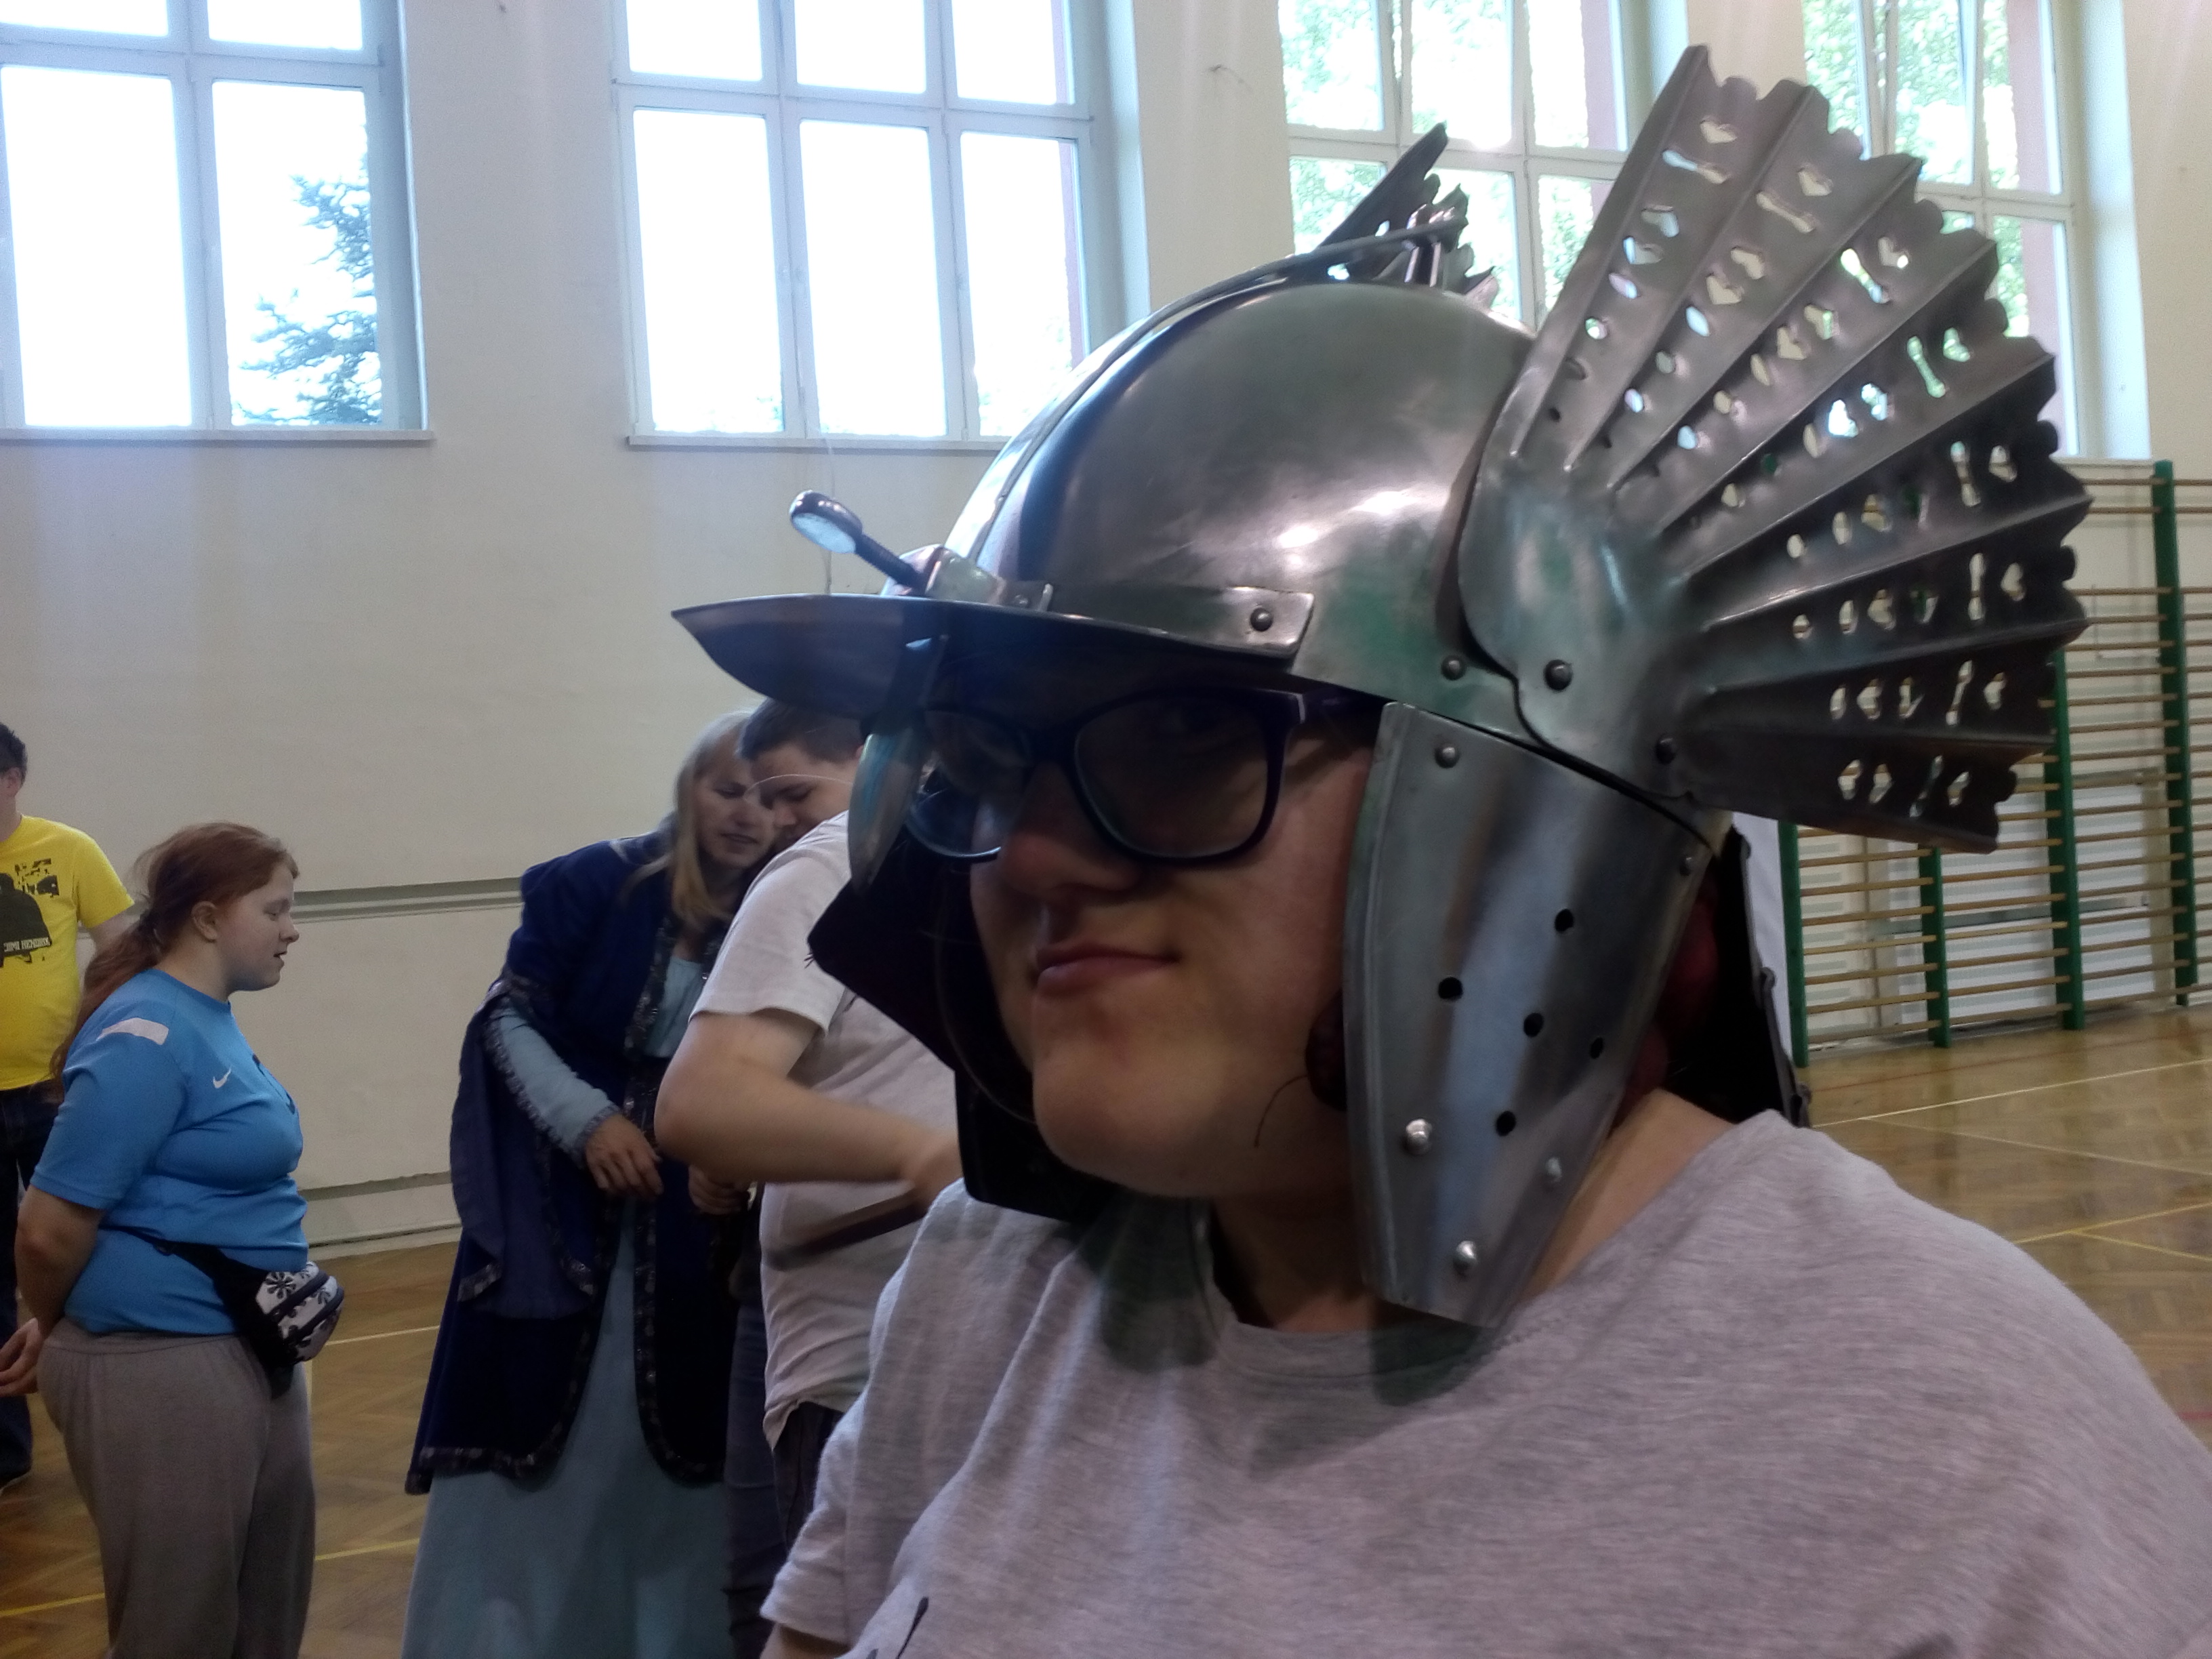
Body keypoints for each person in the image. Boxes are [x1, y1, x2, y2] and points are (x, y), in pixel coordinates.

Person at [672, 52, 2212, 1658]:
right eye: (992, 756)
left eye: (1184, 732)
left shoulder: (1952, 1428)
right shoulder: (987, 1291)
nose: (1039, 854)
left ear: (1521, 796)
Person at [401, 712, 783, 1659]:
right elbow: (509, 1017)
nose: (747, 814)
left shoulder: (791, 903)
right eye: (726, 790)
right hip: (560, 1215)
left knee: (693, 1447)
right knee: (540, 1441)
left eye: (767, 796)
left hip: (702, 1226)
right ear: (688, 790)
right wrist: (590, 1123)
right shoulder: (593, 883)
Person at [0, 822, 314, 1659]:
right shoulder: (145, 1034)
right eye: (275, 910)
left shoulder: (205, 1018)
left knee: (262, 1615)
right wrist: (62, 1324)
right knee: (178, 1628)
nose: (292, 930)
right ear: (208, 919)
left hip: (246, 1342)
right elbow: (47, 1230)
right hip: (165, 1357)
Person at [659, 701, 960, 1570]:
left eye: (791, 793)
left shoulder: (844, 861)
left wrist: (916, 1152)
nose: (774, 820)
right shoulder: (852, 861)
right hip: (855, 1335)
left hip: (894, 1341)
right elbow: (715, 1104)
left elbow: (708, 1099)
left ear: (873, 758)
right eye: (763, 798)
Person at [0, 721, 135, 1488]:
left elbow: (124, 954)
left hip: (57, 1092)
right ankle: (5, 1451)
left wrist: (102, 1046)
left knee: (85, 1252)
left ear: (13, 781)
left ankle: (109, 1416)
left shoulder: (68, 851)